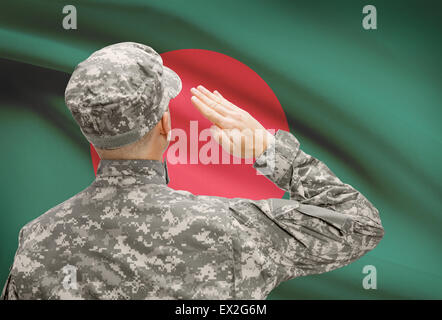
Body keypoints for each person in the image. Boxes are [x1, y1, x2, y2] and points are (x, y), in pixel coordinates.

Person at [1, 42, 384, 300]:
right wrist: (271, 152)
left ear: (89, 130)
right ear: (165, 123)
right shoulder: (233, 229)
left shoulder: (36, 241)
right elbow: (359, 224)